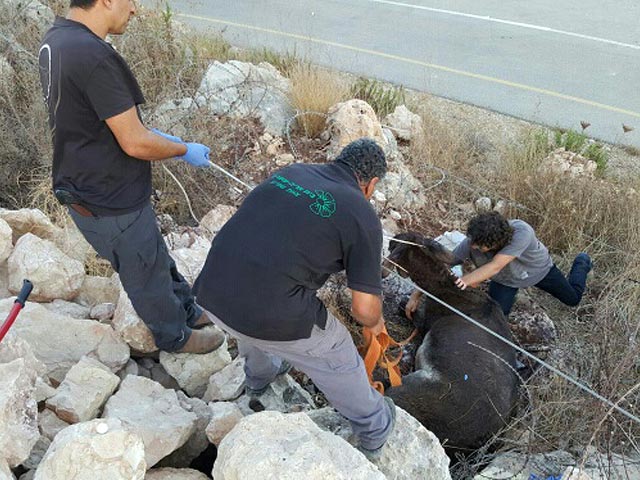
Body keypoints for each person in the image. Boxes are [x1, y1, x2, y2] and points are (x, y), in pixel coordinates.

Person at [38, 0, 224, 353]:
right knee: (145, 272)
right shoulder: (95, 57)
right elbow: (136, 143)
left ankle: (188, 308)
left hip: (83, 184)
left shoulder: (57, 39)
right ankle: (175, 337)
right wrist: (183, 149)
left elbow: (94, 117)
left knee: (154, 255)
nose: (135, 9)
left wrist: (155, 136)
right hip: (108, 197)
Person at [193, 138, 396, 460]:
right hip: (266, 315)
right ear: (370, 184)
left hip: (213, 293)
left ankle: (258, 380)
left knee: (258, 304)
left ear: (338, 160)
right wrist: (376, 323)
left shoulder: (291, 174)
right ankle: (375, 427)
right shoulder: (361, 213)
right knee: (336, 351)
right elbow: (364, 309)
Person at [406, 211, 592, 318]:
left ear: (494, 243)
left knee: (573, 299)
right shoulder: (473, 241)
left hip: (538, 271)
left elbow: (495, 265)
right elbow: (443, 265)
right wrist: (416, 294)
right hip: (505, 281)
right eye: (472, 242)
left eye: (479, 246)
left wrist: (464, 280)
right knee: (495, 318)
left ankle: (582, 261)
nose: (473, 247)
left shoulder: (522, 232)